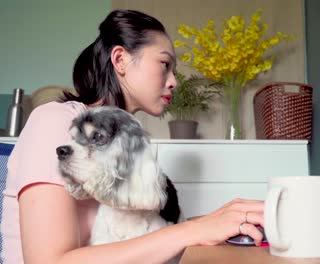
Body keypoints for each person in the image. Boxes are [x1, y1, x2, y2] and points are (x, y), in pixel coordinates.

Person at [1, 9, 264, 264]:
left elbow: (135, 239)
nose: (174, 81)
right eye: (164, 64)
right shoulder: (57, 120)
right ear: (120, 60)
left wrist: (218, 220)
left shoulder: (126, 139)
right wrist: (193, 231)